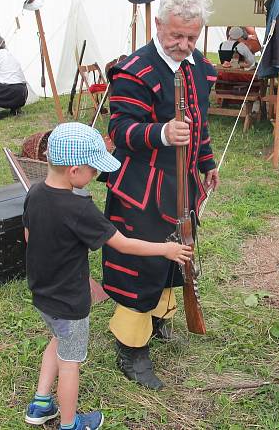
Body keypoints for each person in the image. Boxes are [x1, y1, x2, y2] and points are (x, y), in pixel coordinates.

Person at [22, 122, 192, 430]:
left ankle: (41, 403)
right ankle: (70, 423)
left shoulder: (34, 193)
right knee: (71, 362)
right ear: (74, 171)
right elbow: (123, 243)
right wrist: (165, 249)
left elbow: (29, 236)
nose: (98, 176)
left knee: (57, 340)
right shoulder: (79, 208)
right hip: (70, 301)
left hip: (43, 294)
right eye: (93, 170)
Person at [100, 0, 219, 390]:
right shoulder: (134, 71)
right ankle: (131, 349)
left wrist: (205, 162)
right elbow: (120, 130)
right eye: (176, 37)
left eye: (192, 37)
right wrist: (162, 133)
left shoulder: (199, 67)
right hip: (142, 189)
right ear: (158, 25)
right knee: (143, 265)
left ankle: (158, 320)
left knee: (174, 259)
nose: (184, 46)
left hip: (181, 185)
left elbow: (198, 124)